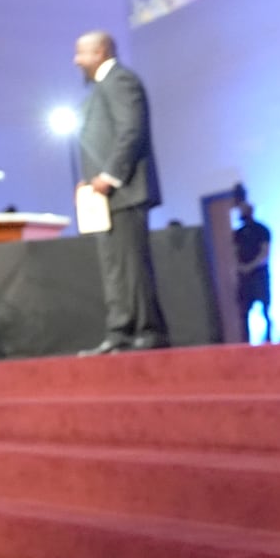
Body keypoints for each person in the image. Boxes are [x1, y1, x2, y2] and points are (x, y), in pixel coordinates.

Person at [74, 31, 168, 353]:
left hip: (125, 191)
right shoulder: (101, 87)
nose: (76, 60)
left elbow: (131, 130)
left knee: (131, 265)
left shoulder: (120, 80)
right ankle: (122, 332)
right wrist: (90, 181)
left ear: (99, 52)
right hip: (106, 196)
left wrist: (109, 176)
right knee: (115, 266)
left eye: (81, 53)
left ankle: (147, 331)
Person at [234, 198, 273, 344]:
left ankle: (268, 340)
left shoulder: (262, 230)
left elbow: (265, 253)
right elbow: (234, 252)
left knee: (265, 311)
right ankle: (246, 342)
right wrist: (240, 268)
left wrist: (250, 267)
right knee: (244, 312)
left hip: (260, 276)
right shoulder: (239, 233)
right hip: (245, 278)